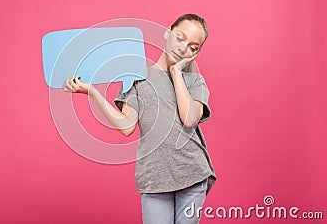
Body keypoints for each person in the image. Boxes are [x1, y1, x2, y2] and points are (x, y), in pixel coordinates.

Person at [63, 14, 216, 223]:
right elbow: (126, 126)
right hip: (154, 177)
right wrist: (92, 92)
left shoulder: (195, 81)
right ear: (167, 31)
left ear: (197, 53)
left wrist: (177, 72)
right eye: (180, 38)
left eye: (193, 47)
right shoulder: (137, 77)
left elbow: (189, 118)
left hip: (191, 174)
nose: (183, 48)